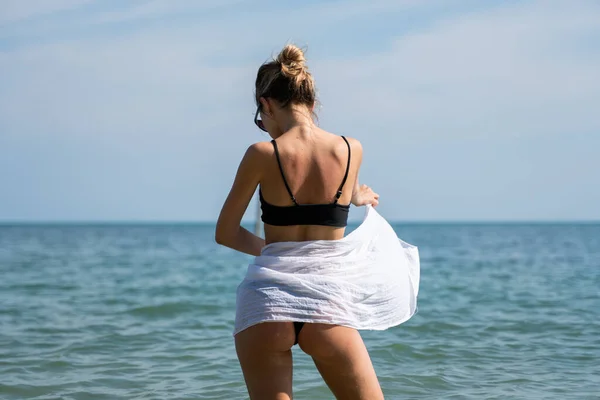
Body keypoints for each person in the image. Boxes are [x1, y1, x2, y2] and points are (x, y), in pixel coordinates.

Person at [216, 44, 418, 400]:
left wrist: (273, 250)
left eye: (262, 121)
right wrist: (358, 197)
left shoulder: (262, 154)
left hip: (266, 305)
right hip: (326, 303)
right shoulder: (350, 149)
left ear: (266, 104)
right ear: (311, 102)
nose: (265, 129)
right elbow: (340, 193)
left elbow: (226, 232)